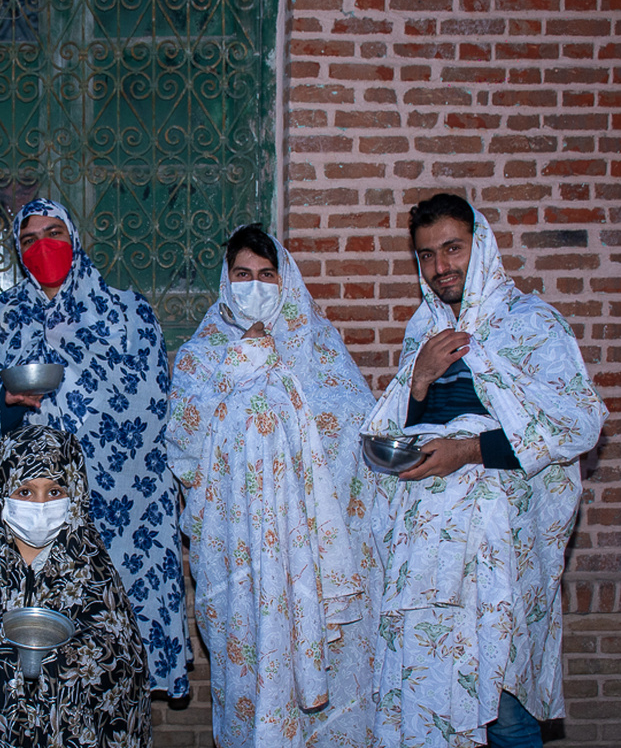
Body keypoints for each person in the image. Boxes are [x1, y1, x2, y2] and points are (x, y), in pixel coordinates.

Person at [362, 193, 607, 748]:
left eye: (453, 248)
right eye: (426, 255)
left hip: (497, 550)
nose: (441, 266)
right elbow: (394, 431)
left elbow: (574, 424)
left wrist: (468, 452)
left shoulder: (532, 325)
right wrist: (419, 380)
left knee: (502, 701)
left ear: (482, 245)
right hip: (422, 554)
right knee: (426, 686)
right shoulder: (420, 331)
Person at [167, 225, 379, 747]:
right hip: (239, 553)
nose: (255, 286)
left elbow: (356, 429)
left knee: (330, 699)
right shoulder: (201, 356)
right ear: (226, 281)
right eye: (243, 275)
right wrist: (243, 365)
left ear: (285, 282)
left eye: (267, 275)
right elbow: (186, 447)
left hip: (314, 553)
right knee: (251, 676)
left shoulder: (319, 346)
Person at [0, 198, 190, 696]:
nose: (43, 246)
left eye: (54, 233)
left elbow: (152, 411)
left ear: (76, 239)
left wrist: (80, 406)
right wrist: (9, 402)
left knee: (107, 658)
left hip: (117, 518)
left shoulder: (127, 315)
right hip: (32, 516)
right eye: (29, 239)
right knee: (39, 669)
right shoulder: (0, 318)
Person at [0, 424, 152, 746]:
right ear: (2, 492)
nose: (40, 505)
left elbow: (123, 675)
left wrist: (66, 660)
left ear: (75, 493)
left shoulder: (95, 574)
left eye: (54, 492)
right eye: (25, 491)